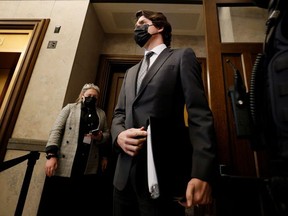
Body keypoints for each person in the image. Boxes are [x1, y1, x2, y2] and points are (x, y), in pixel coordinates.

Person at [110, 10, 217, 216]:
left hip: (163, 174)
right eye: (135, 25)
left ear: (159, 27)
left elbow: (199, 115)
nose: (136, 28)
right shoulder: (131, 72)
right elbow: (119, 115)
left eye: (142, 23)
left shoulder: (181, 57)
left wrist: (202, 173)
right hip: (123, 179)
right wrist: (119, 136)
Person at [38, 83, 111, 216]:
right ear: (82, 95)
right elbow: (56, 130)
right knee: (59, 200)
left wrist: (100, 137)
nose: (92, 98)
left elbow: (107, 134)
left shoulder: (101, 113)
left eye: (95, 97)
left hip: (88, 161)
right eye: (89, 95)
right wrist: (51, 155)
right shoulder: (70, 108)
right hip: (67, 159)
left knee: (80, 201)